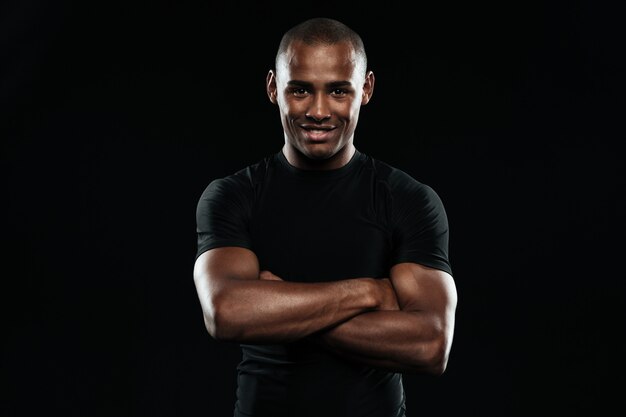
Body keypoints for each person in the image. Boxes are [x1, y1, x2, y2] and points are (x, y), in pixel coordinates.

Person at [192, 17, 458, 417]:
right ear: (272, 88)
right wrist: (368, 293)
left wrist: (279, 311)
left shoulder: (408, 200)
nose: (318, 111)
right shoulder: (232, 196)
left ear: (365, 89)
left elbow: (430, 345)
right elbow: (225, 312)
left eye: (338, 91)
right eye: (300, 90)